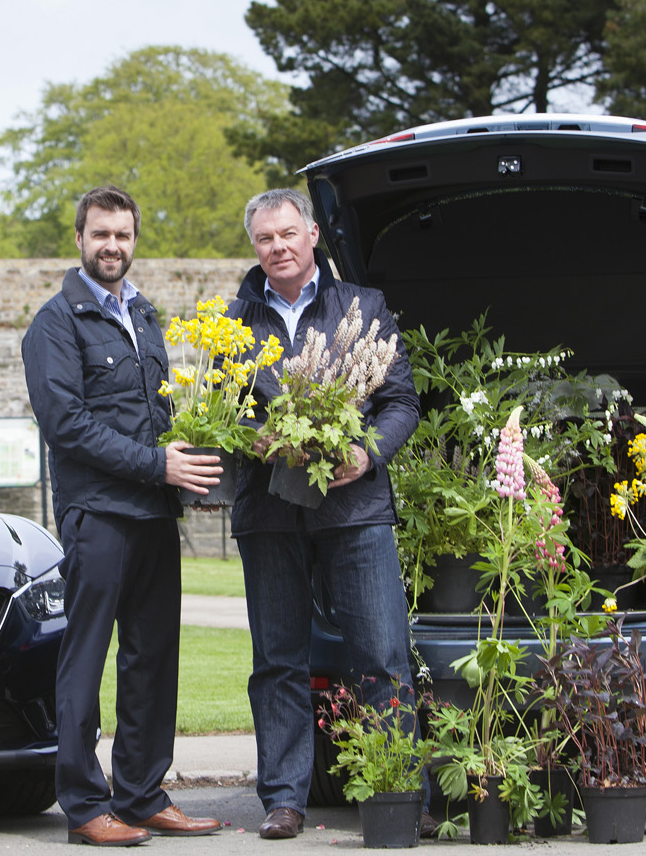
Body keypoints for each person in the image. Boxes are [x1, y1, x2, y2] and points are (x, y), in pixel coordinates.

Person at [21, 185, 225, 847]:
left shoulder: (148, 317)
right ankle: (84, 807)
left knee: (153, 659)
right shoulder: (56, 322)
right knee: (85, 660)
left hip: (153, 516)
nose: (113, 246)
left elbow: (161, 421)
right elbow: (68, 426)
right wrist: (156, 464)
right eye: (101, 234)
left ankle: (141, 795)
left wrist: (190, 472)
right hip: (98, 515)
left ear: (135, 241)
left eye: (124, 236)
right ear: (80, 238)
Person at [226, 188, 424, 840]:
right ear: (255, 246)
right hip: (270, 510)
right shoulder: (232, 321)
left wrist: (366, 455)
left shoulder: (363, 308)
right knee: (278, 660)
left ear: (312, 235)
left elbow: (400, 403)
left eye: (288, 234)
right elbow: (222, 414)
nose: (278, 247)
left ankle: (398, 792)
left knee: (382, 654)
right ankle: (284, 799)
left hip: (356, 506)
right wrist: (247, 438)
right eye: (265, 239)